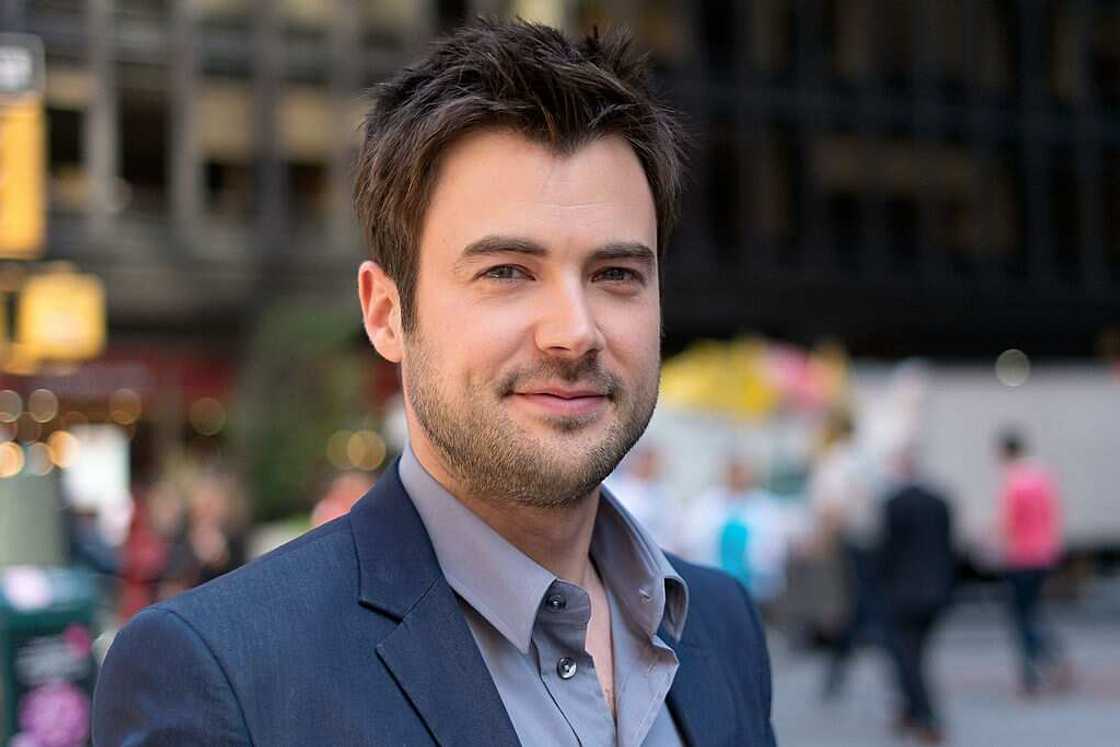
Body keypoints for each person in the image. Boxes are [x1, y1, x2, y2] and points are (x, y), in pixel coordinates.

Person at [93, 20, 776, 746]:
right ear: (386, 314)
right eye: (507, 271)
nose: (574, 331)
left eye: (615, 274)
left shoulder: (722, 624)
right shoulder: (221, 674)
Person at [878, 448, 954, 744]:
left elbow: (887, 551)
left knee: (906, 657)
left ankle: (925, 716)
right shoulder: (941, 501)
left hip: (903, 592)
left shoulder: (893, 504)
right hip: (937, 590)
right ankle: (911, 710)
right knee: (916, 654)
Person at [996, 428, 1072, 696]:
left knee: (1021, 618)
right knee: (1034, 612)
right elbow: (1053, 514)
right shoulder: (1042, 477)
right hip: (1044, 554)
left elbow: (1009, 523)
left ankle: (1031, 675)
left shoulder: (1015, 481)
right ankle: (1053, 657)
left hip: (1020, 557)